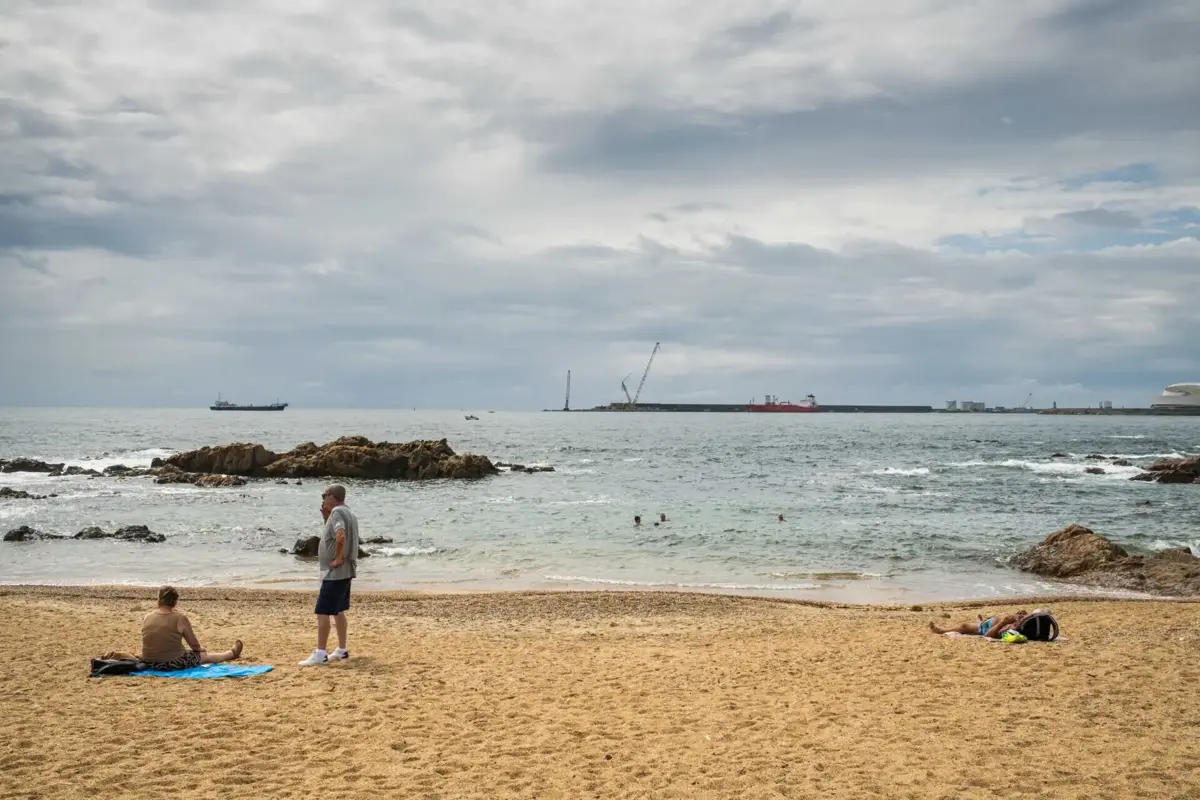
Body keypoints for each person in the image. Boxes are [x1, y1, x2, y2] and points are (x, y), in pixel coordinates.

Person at [102, 586, 243, 669]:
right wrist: (200, 650)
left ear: (159, 600)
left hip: (149, 661)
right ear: (174, 602)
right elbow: (194, 645)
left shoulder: (147, 616)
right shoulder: (180, 618)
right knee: (203, 656)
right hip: (171, 663)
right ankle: (231, 653)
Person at [299, 484, 360, 666]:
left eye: (324, 496)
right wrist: (326, 518)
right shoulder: (349, 513)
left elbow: (340, 535)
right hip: (346, 570)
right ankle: (341, 650)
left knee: (323, 611)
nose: (323, 499)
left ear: (332, 497)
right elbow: (334, 536)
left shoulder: (337, 512)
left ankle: (320, 653)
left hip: (336, 572)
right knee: (338, 610)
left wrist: (338, 558)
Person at [929, 610, 1029, 638]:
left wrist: (1003, 622)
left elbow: (988, 635)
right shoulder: (1022, 622)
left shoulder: (1012, 630)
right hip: (991, 622)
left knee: (964, 626)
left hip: (987, 628)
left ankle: (940, 630)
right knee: (981, 623)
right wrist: (1019, 615)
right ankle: (980, 621)